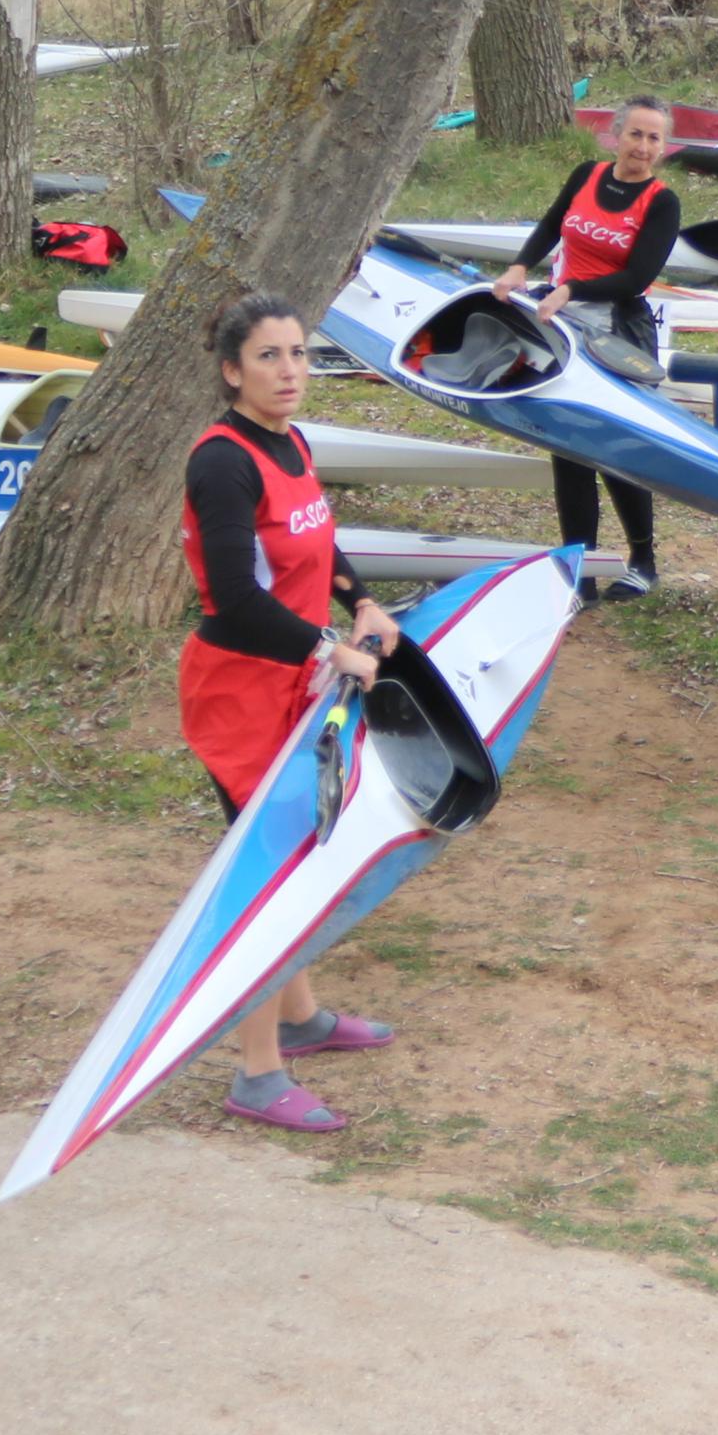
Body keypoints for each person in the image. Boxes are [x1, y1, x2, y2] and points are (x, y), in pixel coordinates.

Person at [180, 293, 405, 1132]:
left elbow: (316, 542)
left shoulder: (291, 443)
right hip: (240, 692)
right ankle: (256, 1075)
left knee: (301, 855)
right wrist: (330, 651)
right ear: (233, 370)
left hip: (298, 687)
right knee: (267, 880)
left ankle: (301, 1018)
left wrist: (365, 604)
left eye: (300, 354)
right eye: (269, 357)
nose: (289, 372)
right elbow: (236, 598)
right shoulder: (222, 461)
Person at [495, 95, 686, 603]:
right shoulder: (587, 174)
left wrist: (572, 290)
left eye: (654, 138)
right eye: (635, 134)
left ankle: (643, 560)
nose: (642, 147)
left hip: (616, 331)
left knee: (614, 446)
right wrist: (520, 266)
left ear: (664, 148)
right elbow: (551, 225)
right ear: (616, 135)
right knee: (569, 450)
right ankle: (580, 571)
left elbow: (637, 277)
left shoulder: (662, 202)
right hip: (561, 324)